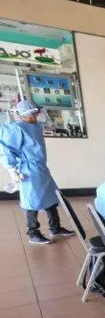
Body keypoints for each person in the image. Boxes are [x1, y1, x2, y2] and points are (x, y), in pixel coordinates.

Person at [0, 100, 74, 245]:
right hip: (29, 171)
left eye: (36, 111)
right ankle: (33, 232)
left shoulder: (36, 126)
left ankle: (55, 228)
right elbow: (6, 150)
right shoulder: (16, 129)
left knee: (51, 198)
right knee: (31, 202)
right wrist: (12, 170)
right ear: (27, 114)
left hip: (41, 168)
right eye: (34, 112)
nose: (37, 114)